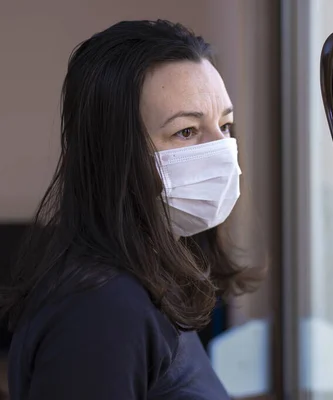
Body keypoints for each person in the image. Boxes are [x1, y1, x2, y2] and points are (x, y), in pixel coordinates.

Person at [1, 19, 261, 399]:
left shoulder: (148, 279)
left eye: (225, 125)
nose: (221, 149)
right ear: (115, 154)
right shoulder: (99, 311)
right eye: (186, 131)